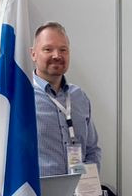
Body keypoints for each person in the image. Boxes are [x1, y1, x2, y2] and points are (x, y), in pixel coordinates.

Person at [30, 21, 102, 178]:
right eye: (48, 49)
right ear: (33, 54)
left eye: (63, 50)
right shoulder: (21, 99)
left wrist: (87, 190)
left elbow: (92, 150)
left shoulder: (79, 97)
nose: (57, 55)